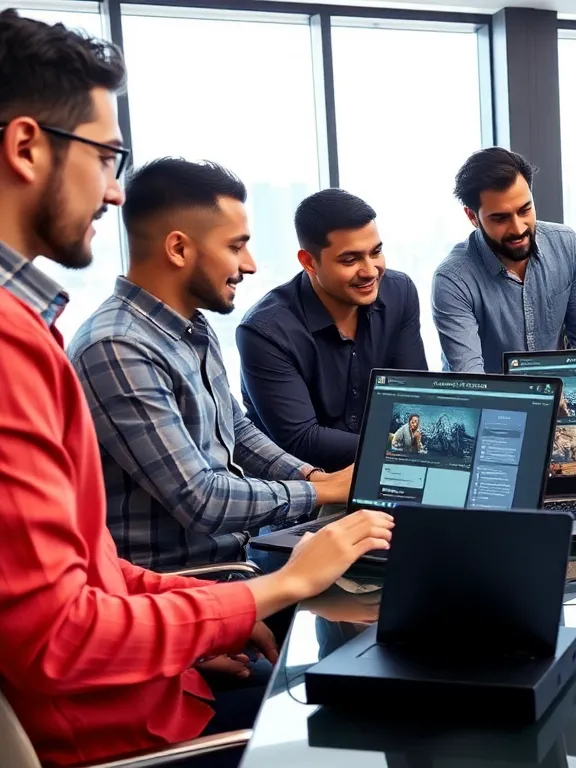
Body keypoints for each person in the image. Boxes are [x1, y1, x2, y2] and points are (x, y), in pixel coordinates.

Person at [0, 12, 393, 767]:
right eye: (106, 156)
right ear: (25, 147)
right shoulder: (53, 345)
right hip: (124, 727)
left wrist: (208, 619)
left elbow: (94, 571)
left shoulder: (68, 329)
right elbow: (60, 635)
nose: (114, 192)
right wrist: (271, 588)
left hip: (157, 665)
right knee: (377, 715)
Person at [67, 158, 354, 570]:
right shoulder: (117, 347)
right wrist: (324, 493)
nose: (250, 264)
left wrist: (313, 477)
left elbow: (235, 430)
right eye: (236, 246)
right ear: (179, 248)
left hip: (236, 559)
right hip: (187, 586)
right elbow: (200, 500)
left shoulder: (191, 327)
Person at [237, 188, 427, 471]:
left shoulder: (400, 293)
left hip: (387, 469)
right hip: (301, 490)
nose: (370, 271)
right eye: (350, 260)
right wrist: (396, 444)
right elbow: (301, 439)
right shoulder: (264, 331)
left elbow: (415, 397)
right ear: (309, 262)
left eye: (376, 252)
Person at [432, 147, 576, 373]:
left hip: (559, 400)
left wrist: (572, 393)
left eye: (525, 210)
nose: (518, 228)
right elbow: (471, 377)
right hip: (490, 402)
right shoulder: (453, 279)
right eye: (500, 218)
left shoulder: (566, 245)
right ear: (473, 217)